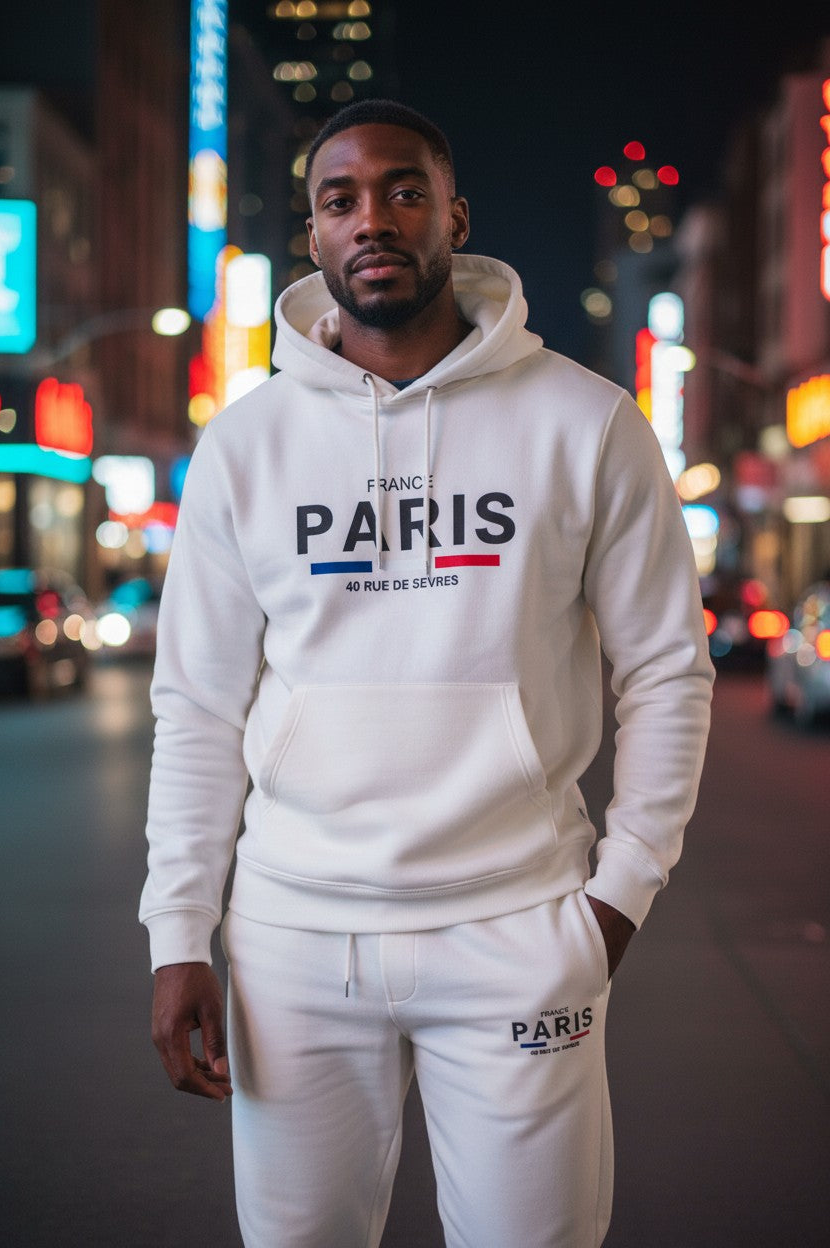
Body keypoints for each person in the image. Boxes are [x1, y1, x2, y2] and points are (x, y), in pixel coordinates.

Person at [142, 99, 713, 1248]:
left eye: (403, 191)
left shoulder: (585, 422)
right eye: (338, 200)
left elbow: (665, 670)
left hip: (518, 928)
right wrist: (178, 935)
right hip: (290, 941)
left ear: (455, 216)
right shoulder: (244, 447)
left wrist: (618, 898)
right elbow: (198, 706)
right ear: (311, 235)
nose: (372, 220)